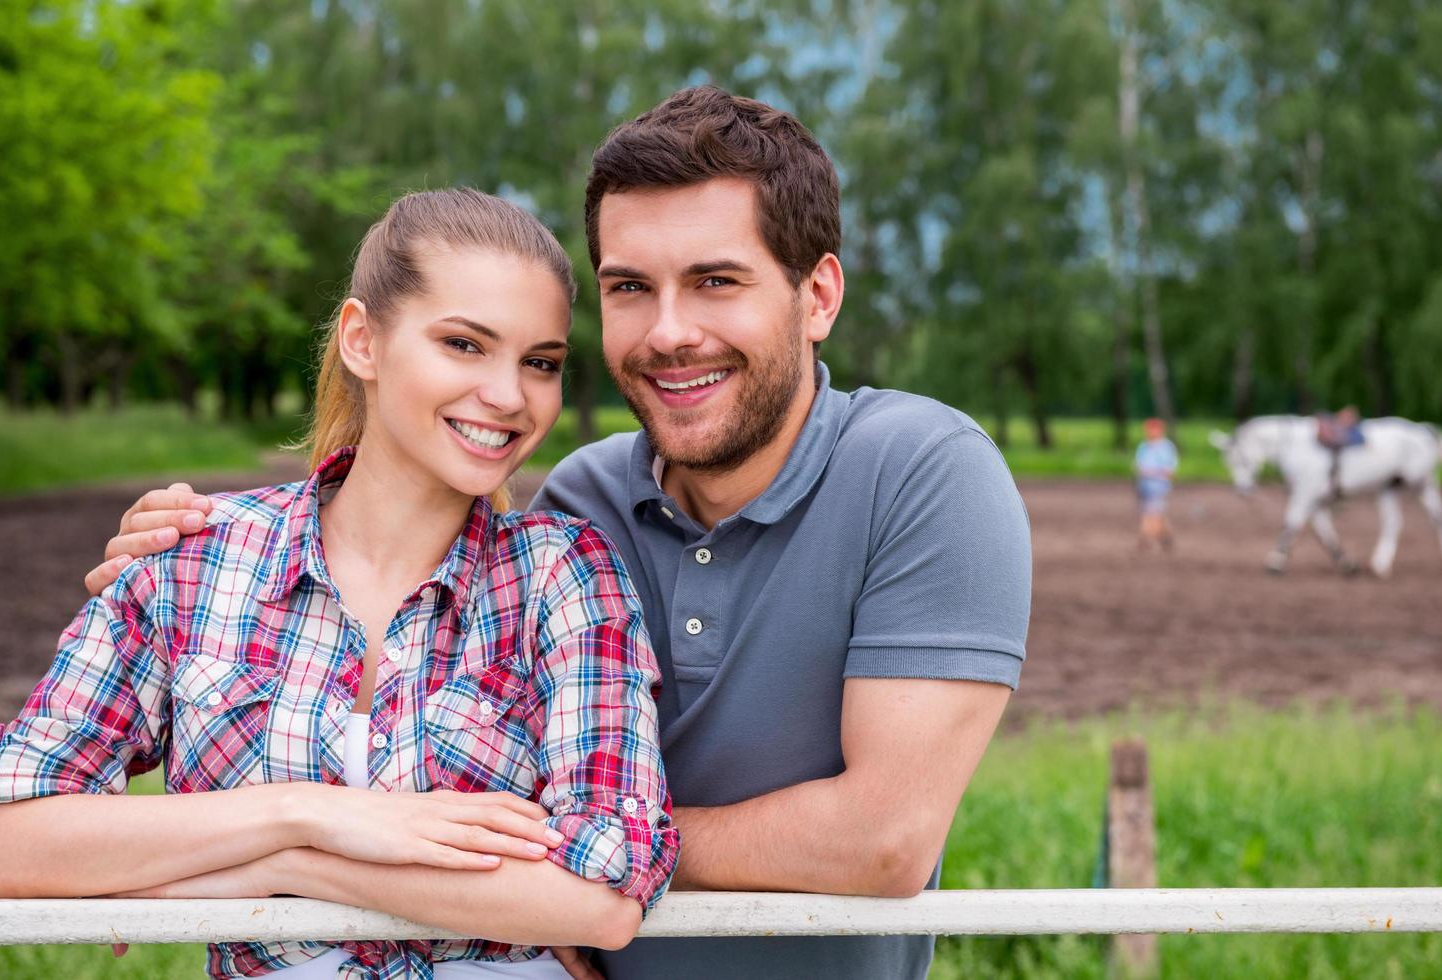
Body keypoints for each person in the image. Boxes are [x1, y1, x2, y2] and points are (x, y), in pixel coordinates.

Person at [83, 87, 1031, 980]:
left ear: (817, 296)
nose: (668, 332)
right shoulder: (583, 503)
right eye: (629, 288)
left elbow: (880, 841)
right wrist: (188, 560)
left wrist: (587, 862)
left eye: (715, 281)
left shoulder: (920, 470)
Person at [0, 188, 678, 979]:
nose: (508, 395)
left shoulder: (563, 573)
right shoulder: (191, 561)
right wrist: (309, 813)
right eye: (463, 344)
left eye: (540, 363)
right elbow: (17, 829)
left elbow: (604, 891)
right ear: (362, 340)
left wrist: (293, 869)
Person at [1134, 417, 1179, 551]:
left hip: (1159, 486)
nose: (1150, 432)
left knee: (1151, 513)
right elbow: (1139, 466)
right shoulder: (1144, 446)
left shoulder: (1166, 447)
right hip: (1144, 486)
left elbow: (1169, 470)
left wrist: (1152, 472)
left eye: (1153, 429)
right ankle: (1167, 535)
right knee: (1154, 514)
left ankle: (1145, 540)